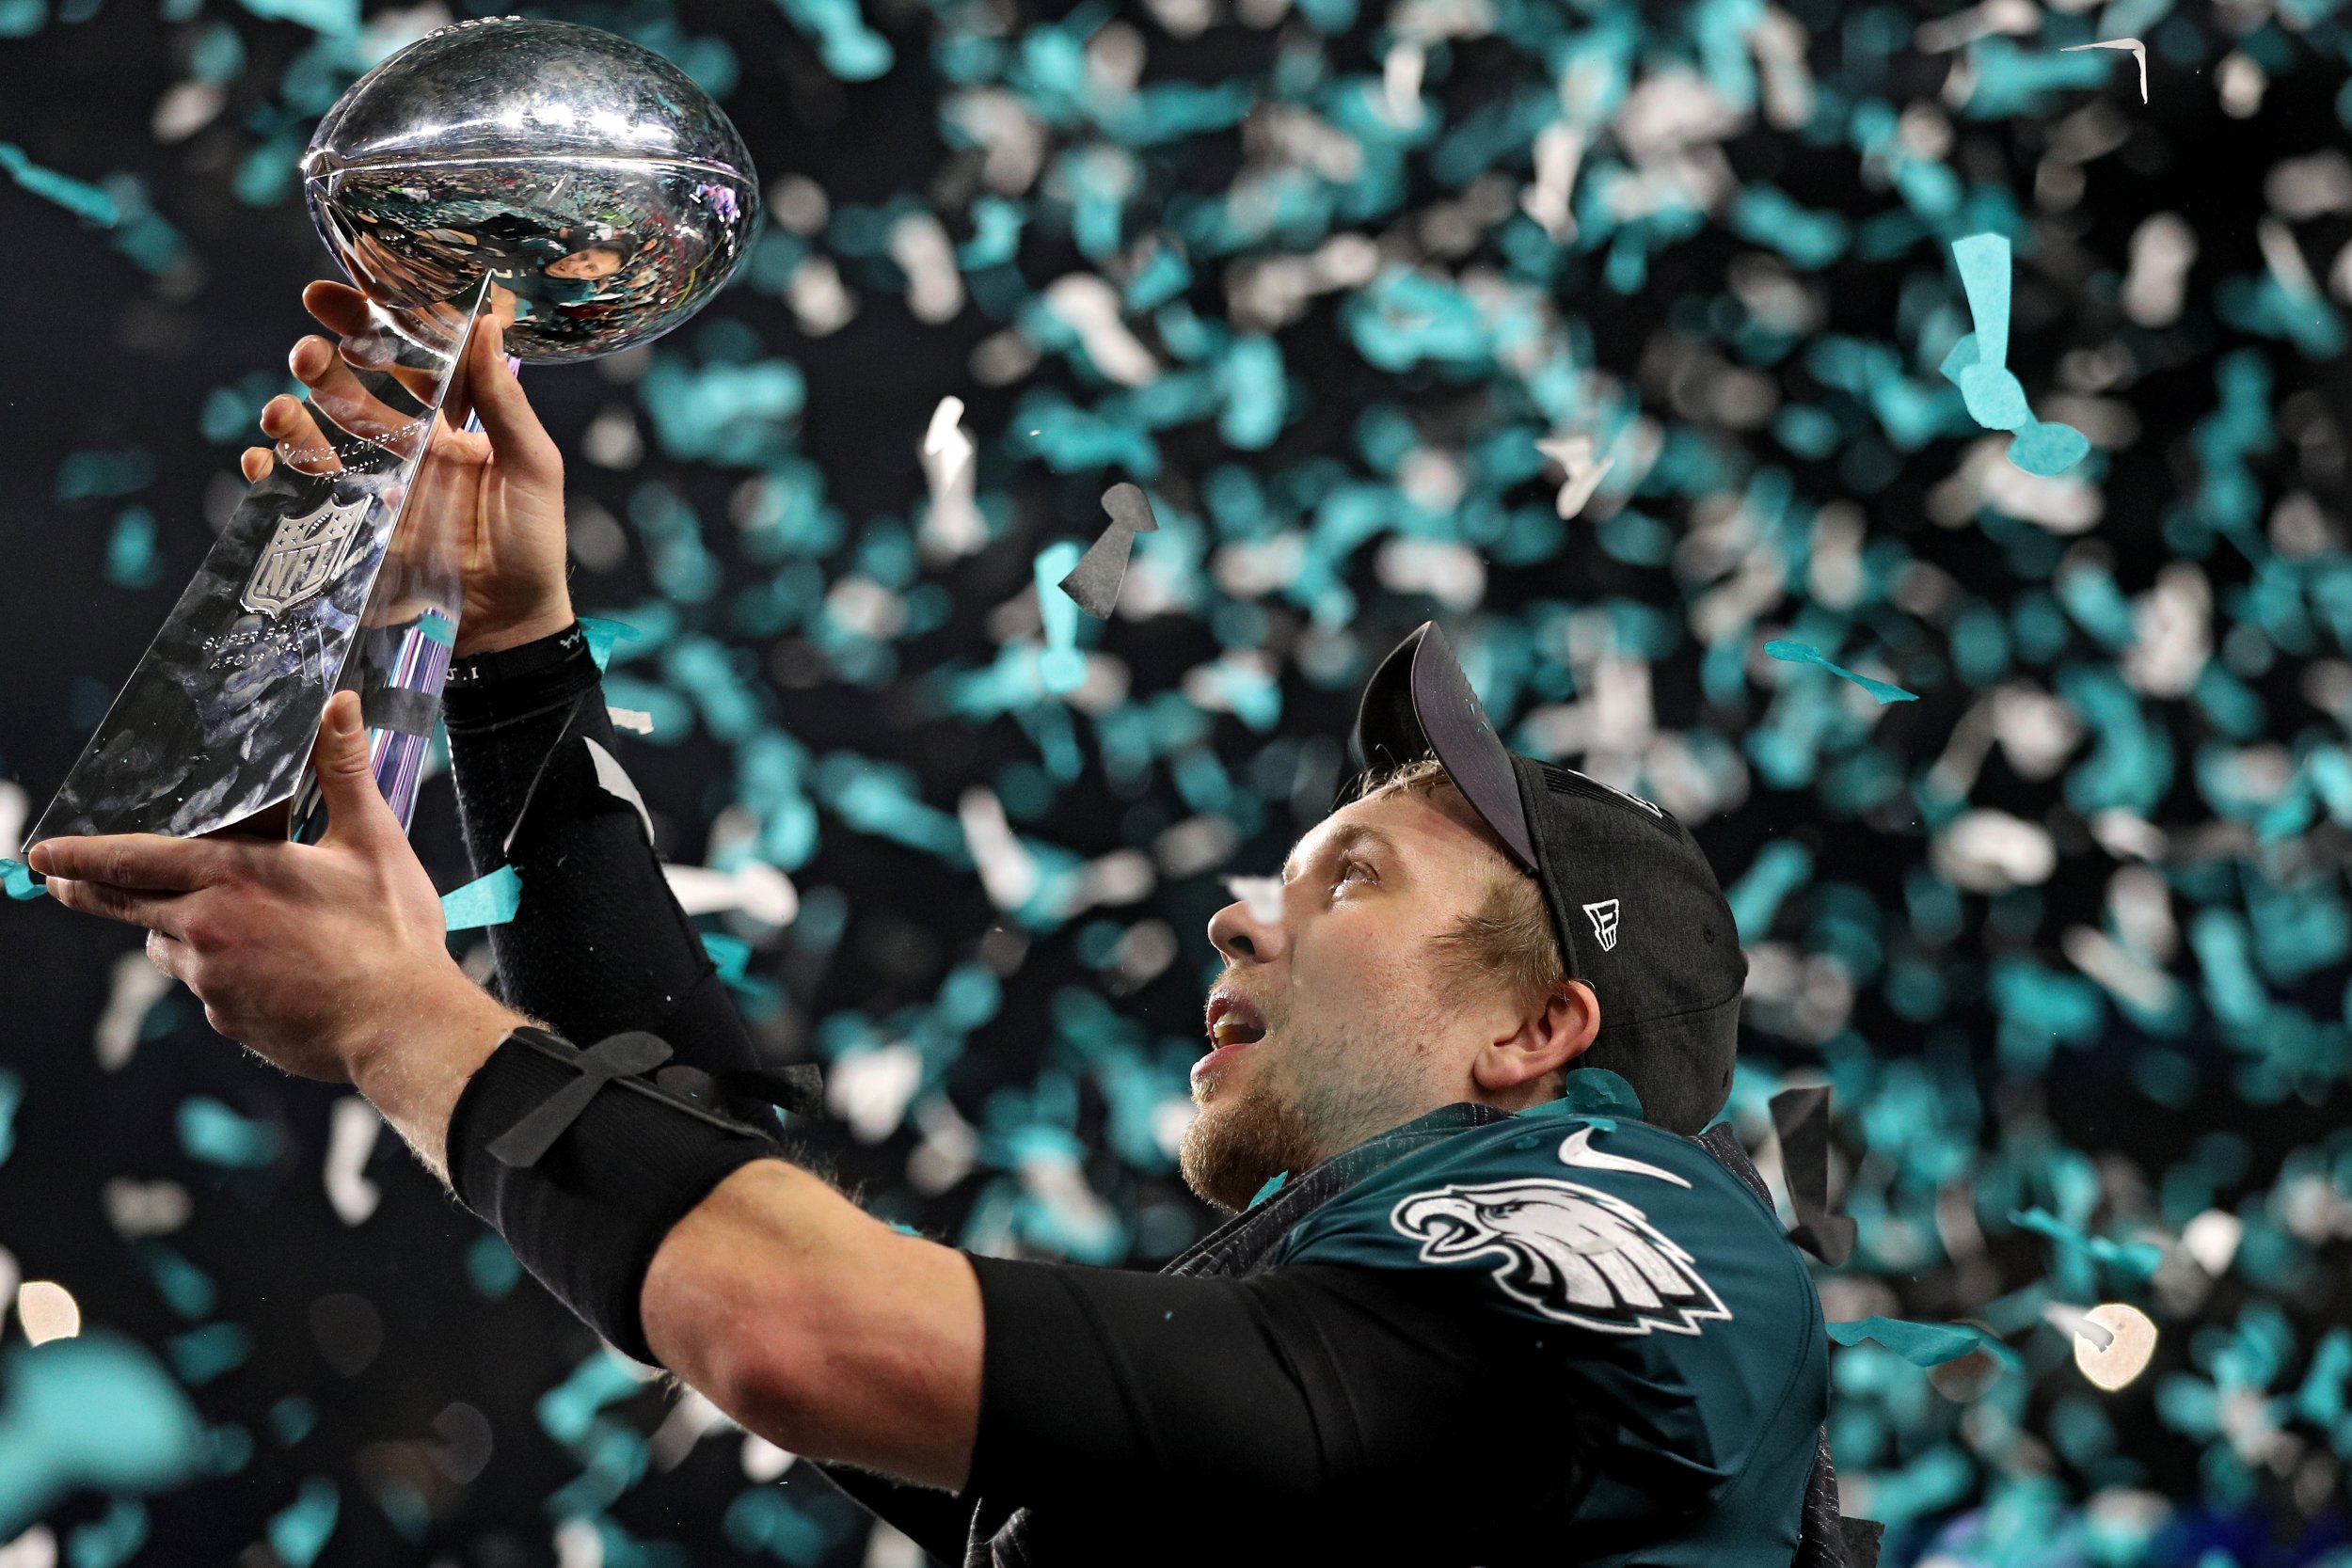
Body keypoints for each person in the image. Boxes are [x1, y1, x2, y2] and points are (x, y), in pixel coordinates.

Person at [30, 285, 1876, 1567]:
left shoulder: (1620, 1232)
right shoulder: (1339, 1361)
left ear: (1537, 1033)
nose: (1239, 915)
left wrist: (394, 1021)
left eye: (1351, 878)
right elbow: (719, 1208)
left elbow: (791, 1323)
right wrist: (519, 660)